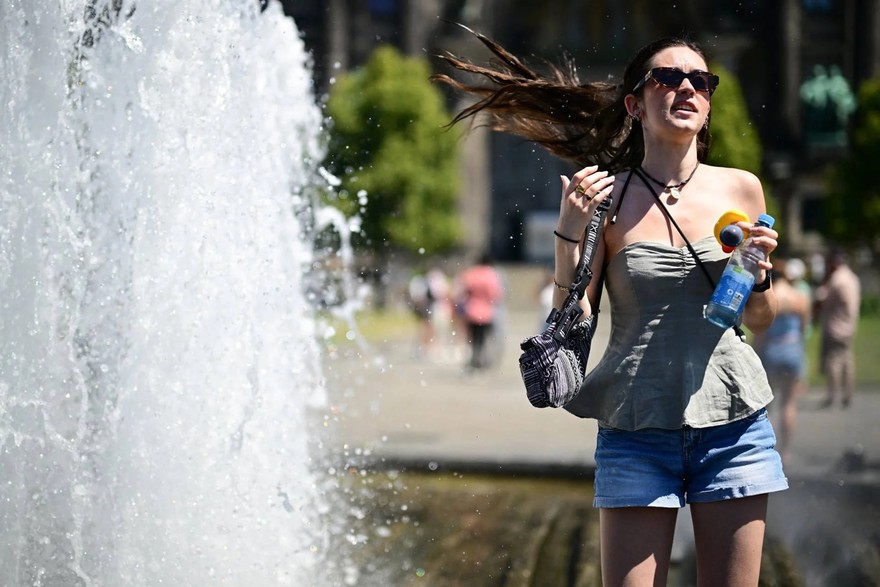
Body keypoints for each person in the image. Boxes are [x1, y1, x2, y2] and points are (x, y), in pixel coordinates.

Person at [436, 33, 787, 585]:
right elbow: (571, 320)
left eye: (701, 80)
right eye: (668, 78)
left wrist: (760, 281)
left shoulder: (741, 189)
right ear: (634, 102)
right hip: (635, 427)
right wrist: (568, 235)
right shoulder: (608, 196)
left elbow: (758, 322)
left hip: (734, 426)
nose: (687, 88)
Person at [753, 260, 811, 464]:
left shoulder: (770, 296)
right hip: (792, 348)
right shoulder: (799, 296)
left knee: (766, 405)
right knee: (789, 404)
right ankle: (785, 451)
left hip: (771, 349)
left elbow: (760, 330)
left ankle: (764, 448)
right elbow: (804, 328)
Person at [814, 247, 861, 408]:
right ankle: (848, 394)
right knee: (847, 360)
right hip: (849, 324)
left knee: (833, 362)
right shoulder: (852, 277)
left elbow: (822, 299)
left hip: (835, 326)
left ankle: (832, 395)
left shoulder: (836, 279)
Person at [455, 252, 504, 371]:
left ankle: (473, 359)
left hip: (471, 310)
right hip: (486, 311)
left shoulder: (471, 273)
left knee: (473, 337)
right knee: (484, 337)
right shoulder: (490, 274)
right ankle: (481, 360)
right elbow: (496, 295)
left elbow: (462, 291)